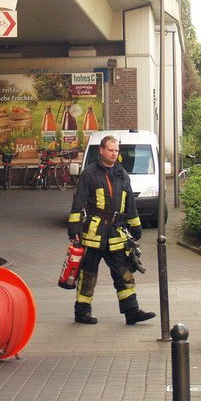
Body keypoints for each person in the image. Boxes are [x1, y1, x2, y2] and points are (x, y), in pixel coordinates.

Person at [67, 135, 155, 325]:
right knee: (88, 274)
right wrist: (73, 228)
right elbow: (78, 201)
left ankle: (132, 312)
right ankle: (82, 312)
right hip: (93, 234)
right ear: (101, 150)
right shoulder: (89, 174)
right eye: (111, 150)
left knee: (124, 273)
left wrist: (136, 226)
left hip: (116, 234)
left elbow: (130, 203)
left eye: (116, 150)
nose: (114, 154)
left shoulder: (122, 174)